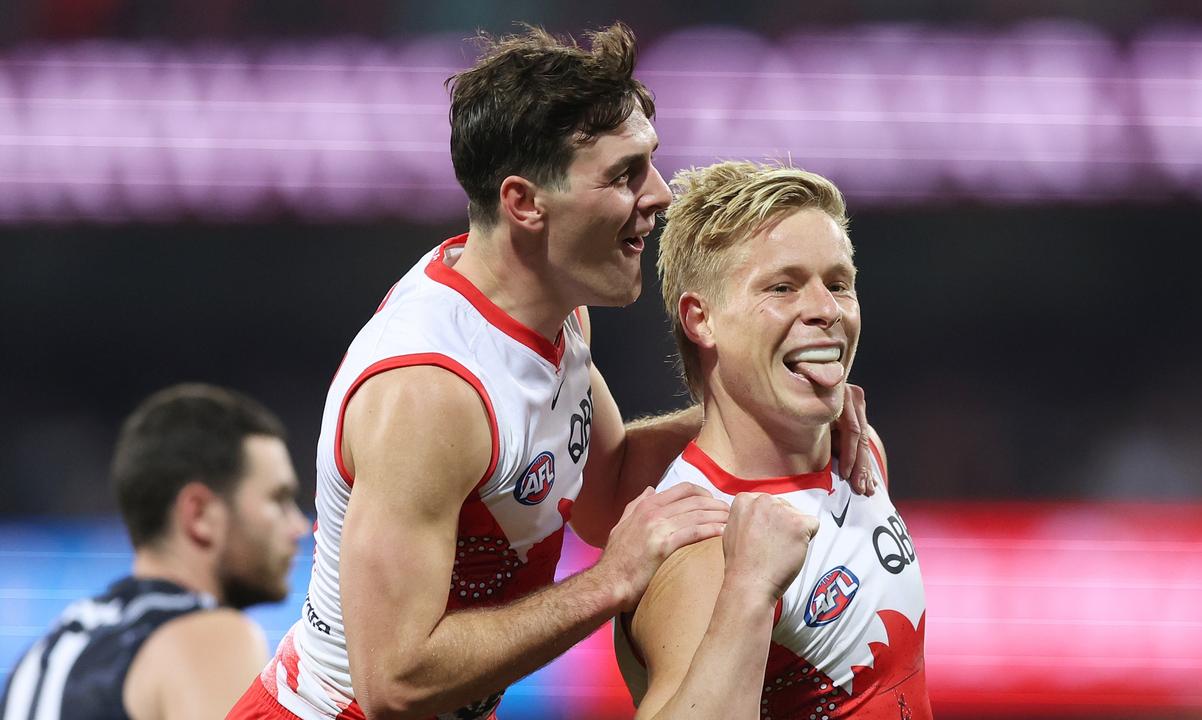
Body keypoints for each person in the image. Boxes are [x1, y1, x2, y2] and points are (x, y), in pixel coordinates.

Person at [229, 24, 875, 720]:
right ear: (524, 203)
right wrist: (610, 583)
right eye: (624, 175)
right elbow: (394, 682)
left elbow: (608, 489)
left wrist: (777, 408)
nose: (658, 195)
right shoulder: (430, 392)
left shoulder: (553, 312)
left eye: (649, 164)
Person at [616, 161, 932, 719]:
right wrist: (749, 591)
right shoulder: (703, 549)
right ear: (702, 319)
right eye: (782, 287)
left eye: (838, 284)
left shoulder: (858, 452)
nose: (826, 310)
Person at [0, 383, 309, 720]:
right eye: (278, 500)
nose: (299, 526)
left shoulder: (38, 658)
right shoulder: (210, 636)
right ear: (199, 514)